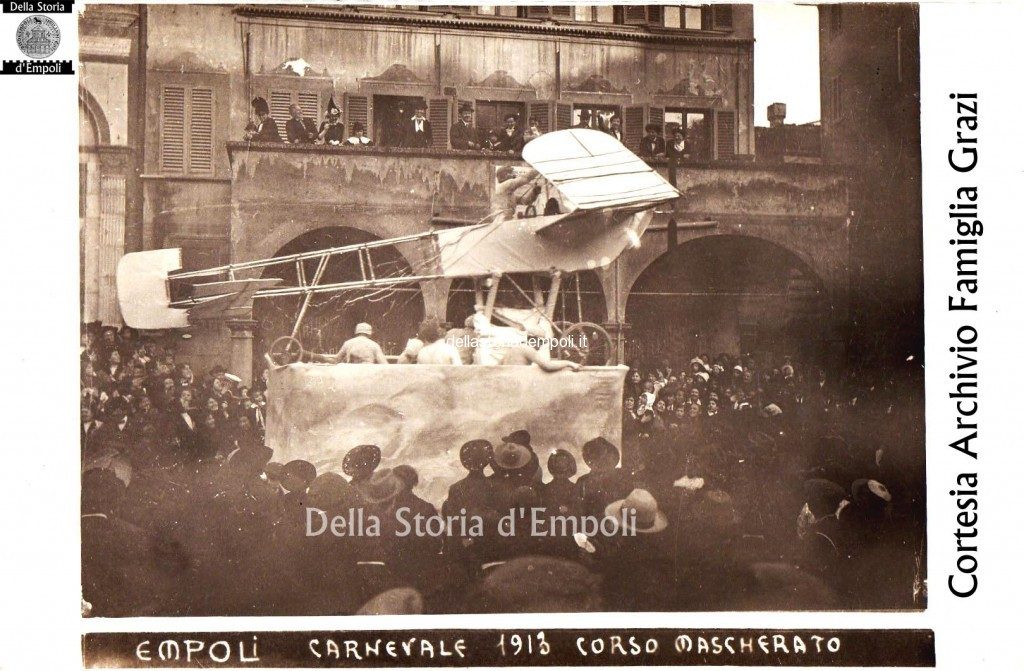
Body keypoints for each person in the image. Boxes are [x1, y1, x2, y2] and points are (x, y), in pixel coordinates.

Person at [501, 324, 582, 372]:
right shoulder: (526, 349)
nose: (540, 346)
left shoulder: (513, 348)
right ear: (533, 339)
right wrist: (569, 363)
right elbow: (548, 366)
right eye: (540, 342)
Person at [310, 323, 388, 364]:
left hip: (351, 375)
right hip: (368, 376)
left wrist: (318, 357)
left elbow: (335, 360)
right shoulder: (374, 345)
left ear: (356, 332)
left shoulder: (348, 343)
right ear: (370, 333)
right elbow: (384, 365)